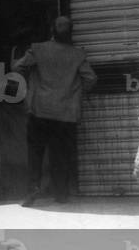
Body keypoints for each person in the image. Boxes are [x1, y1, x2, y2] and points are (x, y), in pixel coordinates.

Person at [12, 16, 97, 206]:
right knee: (61, 155)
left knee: (36, 153)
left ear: (52, 30)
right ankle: (61, 194)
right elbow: (91, 78)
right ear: (71, 33)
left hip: (40, 110)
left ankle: (33, 191)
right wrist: (74, 93)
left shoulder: (38, 49)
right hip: (65, 114)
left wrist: (30, 78)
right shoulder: (78, 54)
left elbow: (17, 67)